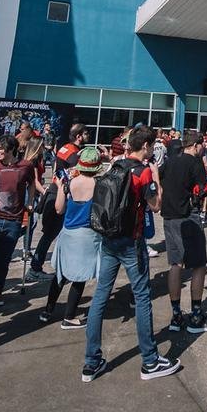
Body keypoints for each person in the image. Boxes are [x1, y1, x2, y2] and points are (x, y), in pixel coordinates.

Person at [82, 128, 182, 382]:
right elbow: (155, 206)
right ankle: (149, 361)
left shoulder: (115, 166)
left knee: (101, 296)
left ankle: (91, 361)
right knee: (142, 297)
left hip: (109, 238)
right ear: (146, 146)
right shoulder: (143, 170)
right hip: (131, 241)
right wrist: (156, 180)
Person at [39, 145, 104, 328]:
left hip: (68, 233)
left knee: (60, 274)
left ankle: (48, 310)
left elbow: (59, 209)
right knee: (79, 277)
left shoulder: (70, 183)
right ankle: (69, 316)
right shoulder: (98, 185)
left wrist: (60, 188)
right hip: (87, 235)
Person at [160, 132, 207, 333]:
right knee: (198, 264)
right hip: (188, 216)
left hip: (169, 216)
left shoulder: (169, 161)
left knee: (175, 264)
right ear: (196, 145)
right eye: (202, 145)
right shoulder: (195, 163)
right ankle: (196, 315)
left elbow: (160, 182)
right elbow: (201, 191)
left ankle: (176, 315)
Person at [0, 134, 36, 307]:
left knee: (3, 260)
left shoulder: (25, 166)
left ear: (11, 149)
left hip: (13, 219)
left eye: (2, 149)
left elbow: (32, 183)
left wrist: (29, 202)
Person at [29, 123, 87, 280]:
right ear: (79, 136)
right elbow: (77, 170)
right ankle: (36, 267)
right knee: (53, 233)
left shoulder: (65, 148)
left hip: (57, 193)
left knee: (52, 233)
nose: (88, 136)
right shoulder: (73, 153)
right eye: (86, 133)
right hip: (59, 195)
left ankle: (38, 266)